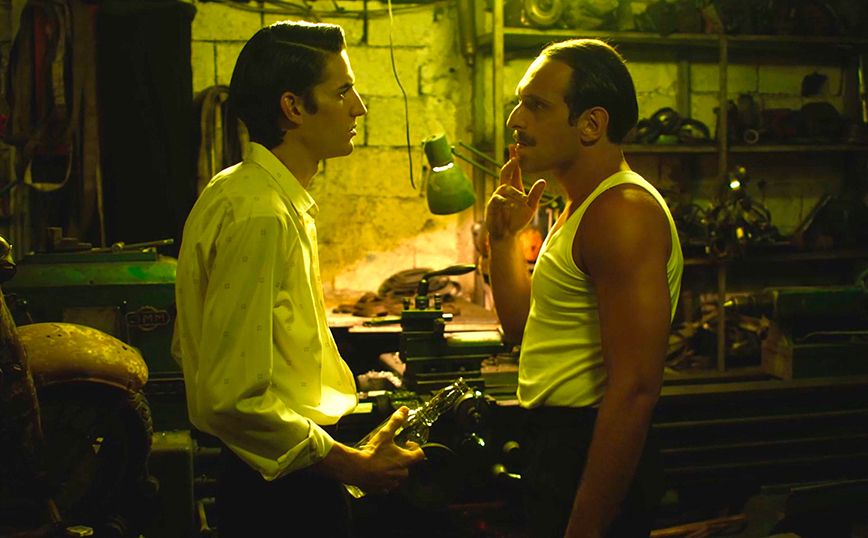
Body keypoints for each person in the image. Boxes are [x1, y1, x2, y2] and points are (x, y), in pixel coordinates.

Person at [172, 21, 424, 538]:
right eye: (342, 91)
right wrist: (351, 465)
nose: (359, 108)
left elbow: (192, 351)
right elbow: (233, 397)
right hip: (280, 492)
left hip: (281, 468)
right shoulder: (261, 212)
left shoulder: (247, 193)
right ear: (293, 107)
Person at [485, 39, 683, 538]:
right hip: (557, 443)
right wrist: (504, 239)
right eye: (519, 103)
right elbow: (523, 330)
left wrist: (586, 524)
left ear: (591, 124)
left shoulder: (622, 213)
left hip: (588, 444)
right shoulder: (581, 207)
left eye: (536, 105)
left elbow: (635, 389)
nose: (515, 120)